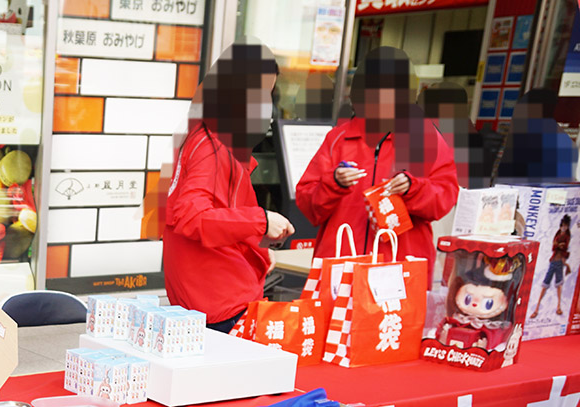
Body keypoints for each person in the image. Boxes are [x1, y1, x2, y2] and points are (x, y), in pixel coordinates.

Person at [163, 42, 293, 333]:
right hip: (217, 296)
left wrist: (257, 243)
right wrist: (262, 221)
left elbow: (219, 212)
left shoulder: (211, 136)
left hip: (212, 292)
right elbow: (192, 216)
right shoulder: (211, 144)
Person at [296, 47, 458, 265]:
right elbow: (307, 203)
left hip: (399, 266)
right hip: (341, 263)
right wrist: (333, 183)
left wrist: (413, 188)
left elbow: (445, 197)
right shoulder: (338, 138)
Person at [530, 214, 573, 319]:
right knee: (545, 284)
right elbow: (555, 247)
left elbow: (563, 248)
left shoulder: (566, 237)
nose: (564, 227)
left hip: (559, 262)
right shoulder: (558, 235)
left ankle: (558, 306)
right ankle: (536, 308)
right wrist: (559, 246)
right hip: (553, 261)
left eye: (566, 226)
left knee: (558, 285)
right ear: (561, 226)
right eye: (563, 225)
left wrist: (564, 259)